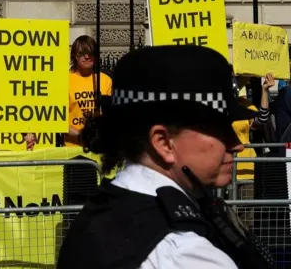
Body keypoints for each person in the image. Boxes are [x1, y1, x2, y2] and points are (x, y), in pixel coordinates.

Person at [57, 45, 263, 268]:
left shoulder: (99, 213)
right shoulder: (185, 254)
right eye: (220, 129)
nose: (237, 145)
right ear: (163, 143)